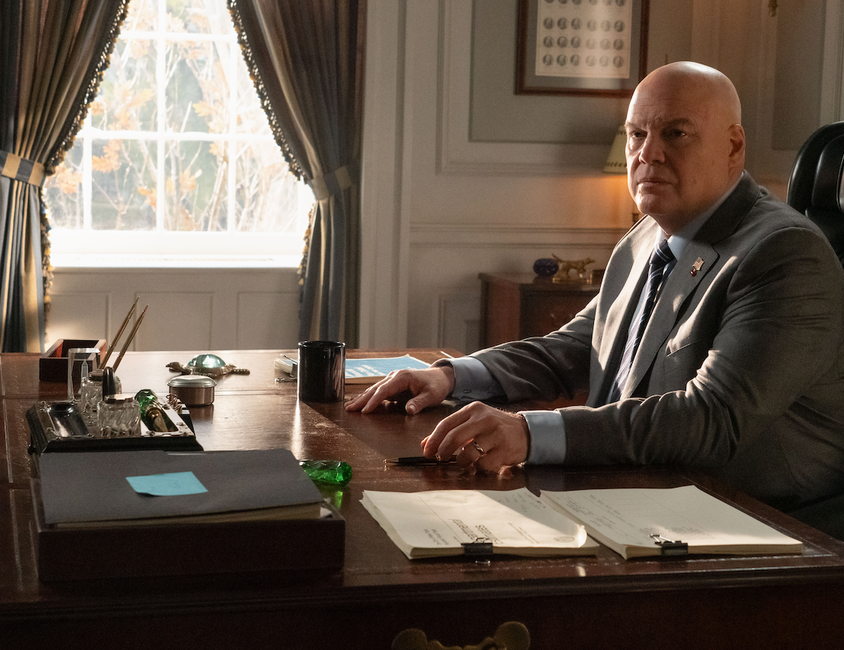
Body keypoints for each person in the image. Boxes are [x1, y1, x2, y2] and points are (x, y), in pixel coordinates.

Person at [346, 61, 844, 528]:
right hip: (633, 493)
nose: (648, 154)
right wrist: (452, 375)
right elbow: (580, 345)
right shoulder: (648, 236)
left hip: (752, 523)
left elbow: (711, 419)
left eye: (676, 133)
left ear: (734, 146)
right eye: (637, 135)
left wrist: (530, 432)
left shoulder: (783, 254)